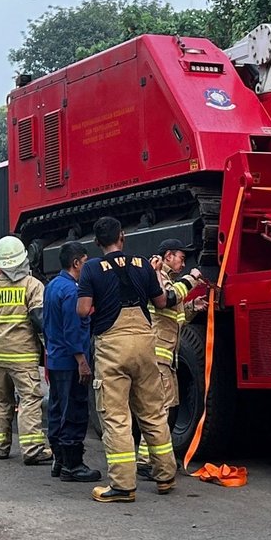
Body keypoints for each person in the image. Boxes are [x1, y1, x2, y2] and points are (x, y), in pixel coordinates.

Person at [77, 216, 177, 504]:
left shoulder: (92, 269)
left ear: (96, 242)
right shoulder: (143, 264)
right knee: (153, 412)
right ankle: (166, 476)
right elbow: (160, 302)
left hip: (112, 345)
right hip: (145, 342)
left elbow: (83, 310)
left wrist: (96, 303)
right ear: (122, 236)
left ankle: (122, 486)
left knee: (117, 416)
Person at [0, 235, 52, 465]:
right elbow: (39, 320)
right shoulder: (32, 285)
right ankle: (32, 449)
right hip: (23, 355)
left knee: (1, 402)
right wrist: (48, 346)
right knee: (30, 399)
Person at [136, 238, 206, 477]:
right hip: (158, 356)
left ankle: (156, 457)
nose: (183, 263)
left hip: (167, 358)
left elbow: (174, 318)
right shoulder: (158, 277)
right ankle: (147, 460)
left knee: (167, 407)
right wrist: (193, 279)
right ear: (168, 256)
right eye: (180, 258)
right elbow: (168, 298)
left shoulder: (167, 278)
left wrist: (192, 307)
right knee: (160, 409)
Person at [43, 241, 101, 484]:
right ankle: (72, 465)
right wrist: (82, 361)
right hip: (70, 361)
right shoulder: (72, 292)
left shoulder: (52, 286)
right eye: (85, 261)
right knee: (75, 411)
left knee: (57, 409)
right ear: (77, 263)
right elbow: (72, 328)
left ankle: (59, 459)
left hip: (56, 359)